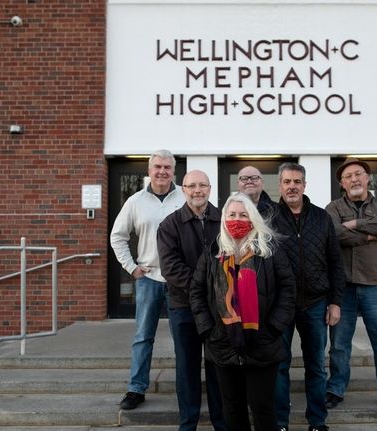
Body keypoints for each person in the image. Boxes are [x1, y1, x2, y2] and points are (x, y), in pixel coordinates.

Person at [190, 193, 296, 431]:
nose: (237, 219)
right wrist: (209, 330)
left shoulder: (269, 251)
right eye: (232, 214)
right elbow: (196, 291)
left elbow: (288, 290)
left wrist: (273, 328)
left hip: (263, 344)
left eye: (243, 214)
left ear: (253, 218)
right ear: (224, 219)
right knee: (232, 410)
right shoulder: (213, 253)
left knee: (263, 409)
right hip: (223, 344)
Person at [324, 158, 377, 412]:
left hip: (376, 284)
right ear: (342, 183)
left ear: (368, 178)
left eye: (358, 174)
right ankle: (336, 388)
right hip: (344, 288)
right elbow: (335, 233)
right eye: (348, 176)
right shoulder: (334, 208)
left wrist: (358, 224)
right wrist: (371, 235)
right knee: (339, 344)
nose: (354, 179)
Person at [109, 149, 185, 410]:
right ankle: (136, 388)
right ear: (149, 170)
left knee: (183, 338)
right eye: (157, 167)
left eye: (167, 167)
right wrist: (131, 267)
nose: (162, 171)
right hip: (149, 279)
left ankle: (185, 387)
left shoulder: (185, 197)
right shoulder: (135, 201)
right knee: (143, 337)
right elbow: (117, 236)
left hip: (179, 281)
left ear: (174, 171)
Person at [272, 163, 345, 431]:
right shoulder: (268, 218)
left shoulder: (321, 217)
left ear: (304, 185)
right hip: (280, 305)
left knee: (316, 366)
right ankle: (280, 422)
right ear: (280, 185)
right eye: (287, 181)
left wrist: (336, 302)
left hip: (315, 303)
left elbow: (335, 262)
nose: (292, 186)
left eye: (297, 181)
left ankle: (317, 421)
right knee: (279, 365)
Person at [157, 170, 227, 431]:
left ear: (210, 188)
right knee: (187, 368)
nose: (197, 190)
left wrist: (215, 293)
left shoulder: (224, 220)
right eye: (191, 186)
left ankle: (222, 422)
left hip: (219, 309)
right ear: (183, 189)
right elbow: (171, 268)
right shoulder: (169, 225)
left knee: (217, 367)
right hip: (183, 307)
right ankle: (188, 424)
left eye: (202, 186)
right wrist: (202, 289)